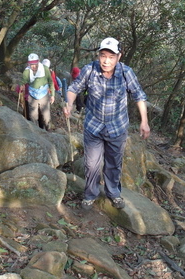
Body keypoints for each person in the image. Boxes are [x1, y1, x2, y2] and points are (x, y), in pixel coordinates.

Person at [63, 37, 150, 210]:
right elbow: (74, 88)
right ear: (98, 55)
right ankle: (90, 194)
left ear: (119, 56)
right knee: (91, 163)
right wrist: (70, 103)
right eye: (103, 55)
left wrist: (144, 121)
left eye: (111, 57)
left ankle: (113, 193)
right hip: (93, 126)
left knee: (113, 163)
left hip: (117, 128)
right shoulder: (90, 70)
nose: (106, 60)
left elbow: (139, 95)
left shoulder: (126, 73)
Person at [22, 53, 55, 130]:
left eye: (35, 64)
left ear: (38, 62)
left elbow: (51, 82)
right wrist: (21, 86)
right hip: (32, 95)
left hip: (44, 95)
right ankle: (35, 134)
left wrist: (52, 95)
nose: (33, 66)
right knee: (33, 117)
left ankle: (47, 132)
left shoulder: (45, 69)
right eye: (31, 64)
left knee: (46, 117)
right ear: (28, 64)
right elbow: (23, 82)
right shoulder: (27, 71)